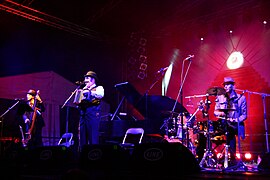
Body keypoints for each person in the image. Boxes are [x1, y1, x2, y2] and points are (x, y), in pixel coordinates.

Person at [213, 77, 247, 165]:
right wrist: (222, 114)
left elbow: (244, 115)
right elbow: (215, 112)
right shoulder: (220, 97)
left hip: (234, 124)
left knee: (231, 133)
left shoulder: (241, 98)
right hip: (223, 123)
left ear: (233, 86)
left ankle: (232, 159)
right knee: (207, 131)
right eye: (225, 85)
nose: (226, 86)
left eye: (228, 84)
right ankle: (211, 157)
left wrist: (235, 120)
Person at [73, 71, 104, 150]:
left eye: (87, 78)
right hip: (83, 115)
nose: (85, 80)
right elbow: (79, 101)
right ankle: (83, 155)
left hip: (93, 115)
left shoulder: (98, 88)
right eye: (85, 78)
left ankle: (93, 155)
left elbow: (100, 95)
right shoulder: (83, 89)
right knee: (82, 137)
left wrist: (89, 92)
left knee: (93, 137)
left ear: (93, 79)